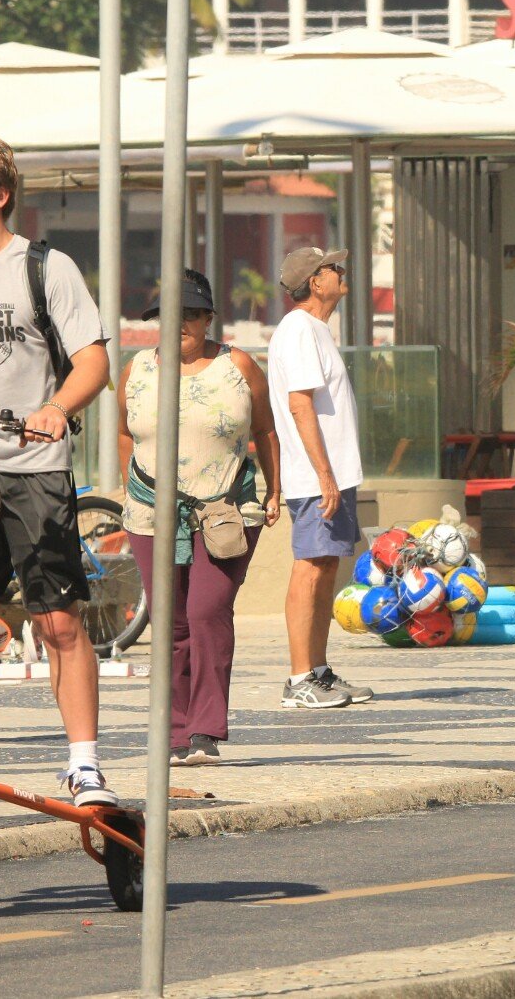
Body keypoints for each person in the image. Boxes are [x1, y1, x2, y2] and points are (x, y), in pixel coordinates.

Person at [0, 134, 116, 806]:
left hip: (32, 469)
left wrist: (57, 407)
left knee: (56, 619)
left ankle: (83, 762)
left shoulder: (44, 268)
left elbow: (92, 360)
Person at [118, 270, 281, 764]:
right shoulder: (137, 368)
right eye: (173, 313)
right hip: (151, 512)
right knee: (169, 621)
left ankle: (206, 729)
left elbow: (267, 430)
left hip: (227, 510)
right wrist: (131, 485)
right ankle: (174, 731)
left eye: (192, 313)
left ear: (209, 318)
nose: (182, 322)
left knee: (206, 611)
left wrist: (277, 489)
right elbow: (127, 432)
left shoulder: (240, 366)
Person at [267, 246, 372, 709]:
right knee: (310, 567)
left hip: (333, 475)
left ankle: (319, 671)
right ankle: (297, 679)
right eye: (332, 267)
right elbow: (299, 404)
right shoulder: (297, 330)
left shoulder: (316, 330)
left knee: (327, 566)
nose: (341, 272)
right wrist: (324, 476)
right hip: (316, 478)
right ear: (314, 282)